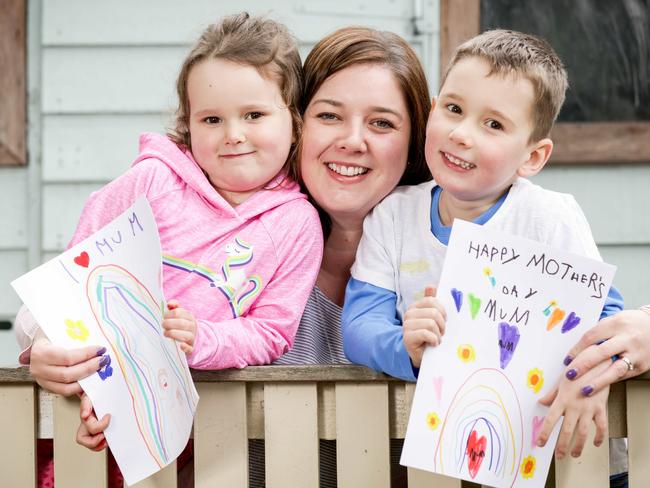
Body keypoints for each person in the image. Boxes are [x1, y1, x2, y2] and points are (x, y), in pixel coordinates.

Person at [15, 12, 322, 487]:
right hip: (96, 409)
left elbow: (273, 332)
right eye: (212, 119)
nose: (233, 134)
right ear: (188, 122)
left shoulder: (296, 223)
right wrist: (43, 344)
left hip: (205, 438)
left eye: (254, 115)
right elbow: (66, 282)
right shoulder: (150, 181)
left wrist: (204, 338)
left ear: (294, 119)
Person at [340, 28, 625, 459]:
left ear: (532, 157)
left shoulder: (549, 219)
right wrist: (405, 347)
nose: (461, 134)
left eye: (493, 124)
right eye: (453, 109)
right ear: (433, 111)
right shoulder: (394, 215)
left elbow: (605, 315)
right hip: (446, 451)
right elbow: (359, 326)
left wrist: (589, 376)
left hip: (558, 456)